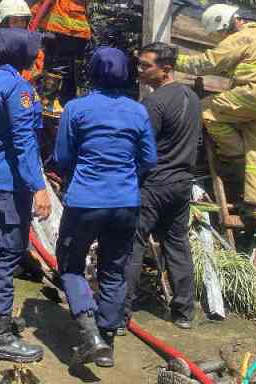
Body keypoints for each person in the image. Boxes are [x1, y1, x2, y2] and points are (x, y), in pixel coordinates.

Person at [53, 47, 157, 368]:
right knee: (113, 269)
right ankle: (107, 340)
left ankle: (90, 335)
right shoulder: (137, 112)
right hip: (126, 203)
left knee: (70, 265)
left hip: (85, 201)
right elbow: (149, 159)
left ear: (92, 72)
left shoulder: (76, 109)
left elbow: (62, 157)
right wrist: (125, 177)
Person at [0, 27, 53, 363]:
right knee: (6, 252)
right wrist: (39, 187)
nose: (37, 55)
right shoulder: (20, 89)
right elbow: (24, 141)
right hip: (8, 181)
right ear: (23, 54)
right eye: (34, 50)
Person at [174, 4, 256, 232]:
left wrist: (173, 60)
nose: (221, 37)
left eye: (219, 33)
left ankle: (234, 155)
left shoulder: (241, 38)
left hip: (254, 95)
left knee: (206, 110)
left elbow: (207, 62)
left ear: (224, 24)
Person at [122, 42, 201, 333]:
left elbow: (141, 149)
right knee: (177, 244)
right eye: (139, 64)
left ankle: (119, 315)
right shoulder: (192, 97)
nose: (140, 70)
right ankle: (184, 312)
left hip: (154, 184)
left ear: (166, 69)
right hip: (181, 184)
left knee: (133, 243)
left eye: (146, 65)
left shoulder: (153, 104)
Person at [0, 0, 44, 84]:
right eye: (15, 21)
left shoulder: (32, 44)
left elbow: (33, 73)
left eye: (22, 21)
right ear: (4, 23)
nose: (20, 25)